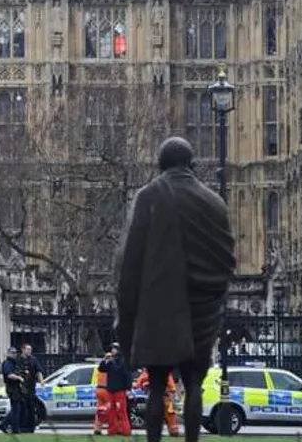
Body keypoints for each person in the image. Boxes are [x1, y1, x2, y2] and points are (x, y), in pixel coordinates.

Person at [116, 137, 236, 442]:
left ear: (161, 164)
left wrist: (126, 310)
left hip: (161, 306)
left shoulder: (150, 196)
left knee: (157, 385)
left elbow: (130, 261)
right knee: (194, 383)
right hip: (204, 307)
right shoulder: (215, 202)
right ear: (191, 163)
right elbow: (226, 260)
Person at [98, 345, 132, 436]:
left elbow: (128, 376)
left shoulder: (123, 362)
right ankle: (112, 430)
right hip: (110, 390)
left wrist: (128, 388)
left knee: (121, 411)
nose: (112, 351)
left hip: (119, 390)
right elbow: (101, 369)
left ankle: (125, 430)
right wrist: (104, 360)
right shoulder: (110, 362)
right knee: (110, 411)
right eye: (112, 349)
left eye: (114, 349)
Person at [136, 367, 180, 436]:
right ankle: (174, 431)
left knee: (155, 414)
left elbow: (138, 384)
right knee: (170, 414)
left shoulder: (147, 372)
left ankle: (155, 432)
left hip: (153, 397)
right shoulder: (165, 372)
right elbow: (172, 387)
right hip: (164, 397)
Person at [17, 343, 44, 433]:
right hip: (20, 387)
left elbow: (38, 371)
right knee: (22, 407)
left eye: (30, 349)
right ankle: (21, 426)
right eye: (28, 349)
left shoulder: (33, 360)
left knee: (31, 407)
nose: (29, 351)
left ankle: (30, 427)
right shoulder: (18, 360)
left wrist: (41, 381)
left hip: (31, 386)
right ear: (23, 350)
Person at [0, 347, 23, 433]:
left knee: (16, 409)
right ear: (8, 354)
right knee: (15, 409)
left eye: (15, 353)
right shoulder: (7, 363)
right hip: (12, 387)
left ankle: (13, 427)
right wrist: (19, 378)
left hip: (15, 387)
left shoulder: (14, 363)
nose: (14, 354)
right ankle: (5, 425)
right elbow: (9, 375)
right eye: (12, 353)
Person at [93, 344, 115, 435]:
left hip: (99, 389)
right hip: (106, 390)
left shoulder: (100, 366)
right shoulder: (110, 366)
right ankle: (111, 429)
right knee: (110, 410)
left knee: (100, 411)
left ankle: (97, 429)